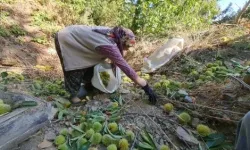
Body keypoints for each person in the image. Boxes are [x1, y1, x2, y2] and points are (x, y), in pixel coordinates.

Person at [54, 25, 157, 104]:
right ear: (123, 41)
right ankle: (73, 97)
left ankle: (88, 86)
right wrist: (145, 86)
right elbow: (124, 66)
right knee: (74, 65)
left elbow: (117, 60)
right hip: (67, 38)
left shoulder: (113, 35)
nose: (127, 49)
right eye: (127, 46)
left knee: (92, 64)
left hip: (76, 37)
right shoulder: (108, 44)